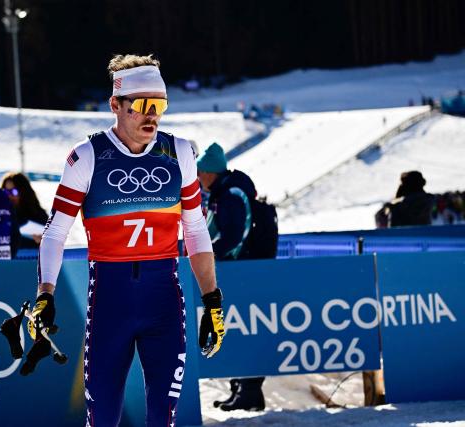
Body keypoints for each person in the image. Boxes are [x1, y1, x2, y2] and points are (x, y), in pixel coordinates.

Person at [25, 54, 225, 426]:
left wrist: (212, 300)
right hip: (109, 304)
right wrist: (45, 294)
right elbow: (54, 232)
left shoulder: (178, 152)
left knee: (160, 419)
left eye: (160, 105)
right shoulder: (87, 157)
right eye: (144, 105)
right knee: (102, 418)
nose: (153, 115)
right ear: (116, 105)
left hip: (164, 302)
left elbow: (195, 230)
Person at [196, 142, 278, 411]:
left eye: (200, 173)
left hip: (244, 270)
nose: (198, 179)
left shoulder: (230, 195)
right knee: (239, 327)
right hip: (242, 269)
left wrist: (207, 256)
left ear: (210, 172)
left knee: (246, 328)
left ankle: (249, 391)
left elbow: (232, 237)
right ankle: (242, 390)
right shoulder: (227, 192)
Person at [1, 172, 48, 248]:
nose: (10, 196)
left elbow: (53, 248)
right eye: (6, 192)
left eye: (14, 192)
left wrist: (43, 242)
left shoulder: (39, 217)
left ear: (24, 192)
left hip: (30, 258)